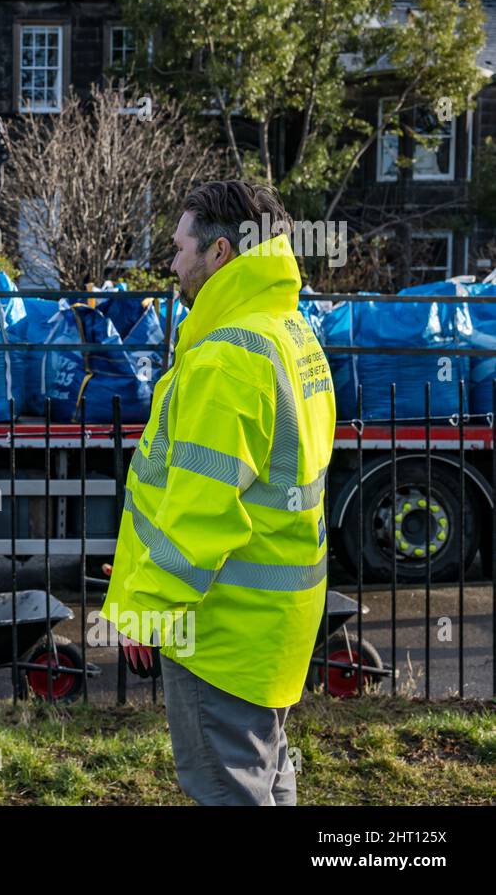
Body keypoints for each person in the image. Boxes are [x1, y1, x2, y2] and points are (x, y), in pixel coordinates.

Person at [100, 179, 336, 805]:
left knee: (228, 791)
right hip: (272, 628)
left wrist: (148, 610)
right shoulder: (291, 334)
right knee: (266, 784)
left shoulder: (225, 359)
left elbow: (200, 518)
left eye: (181, 248)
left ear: (222, 253)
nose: (172, 262)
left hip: (220, 633)